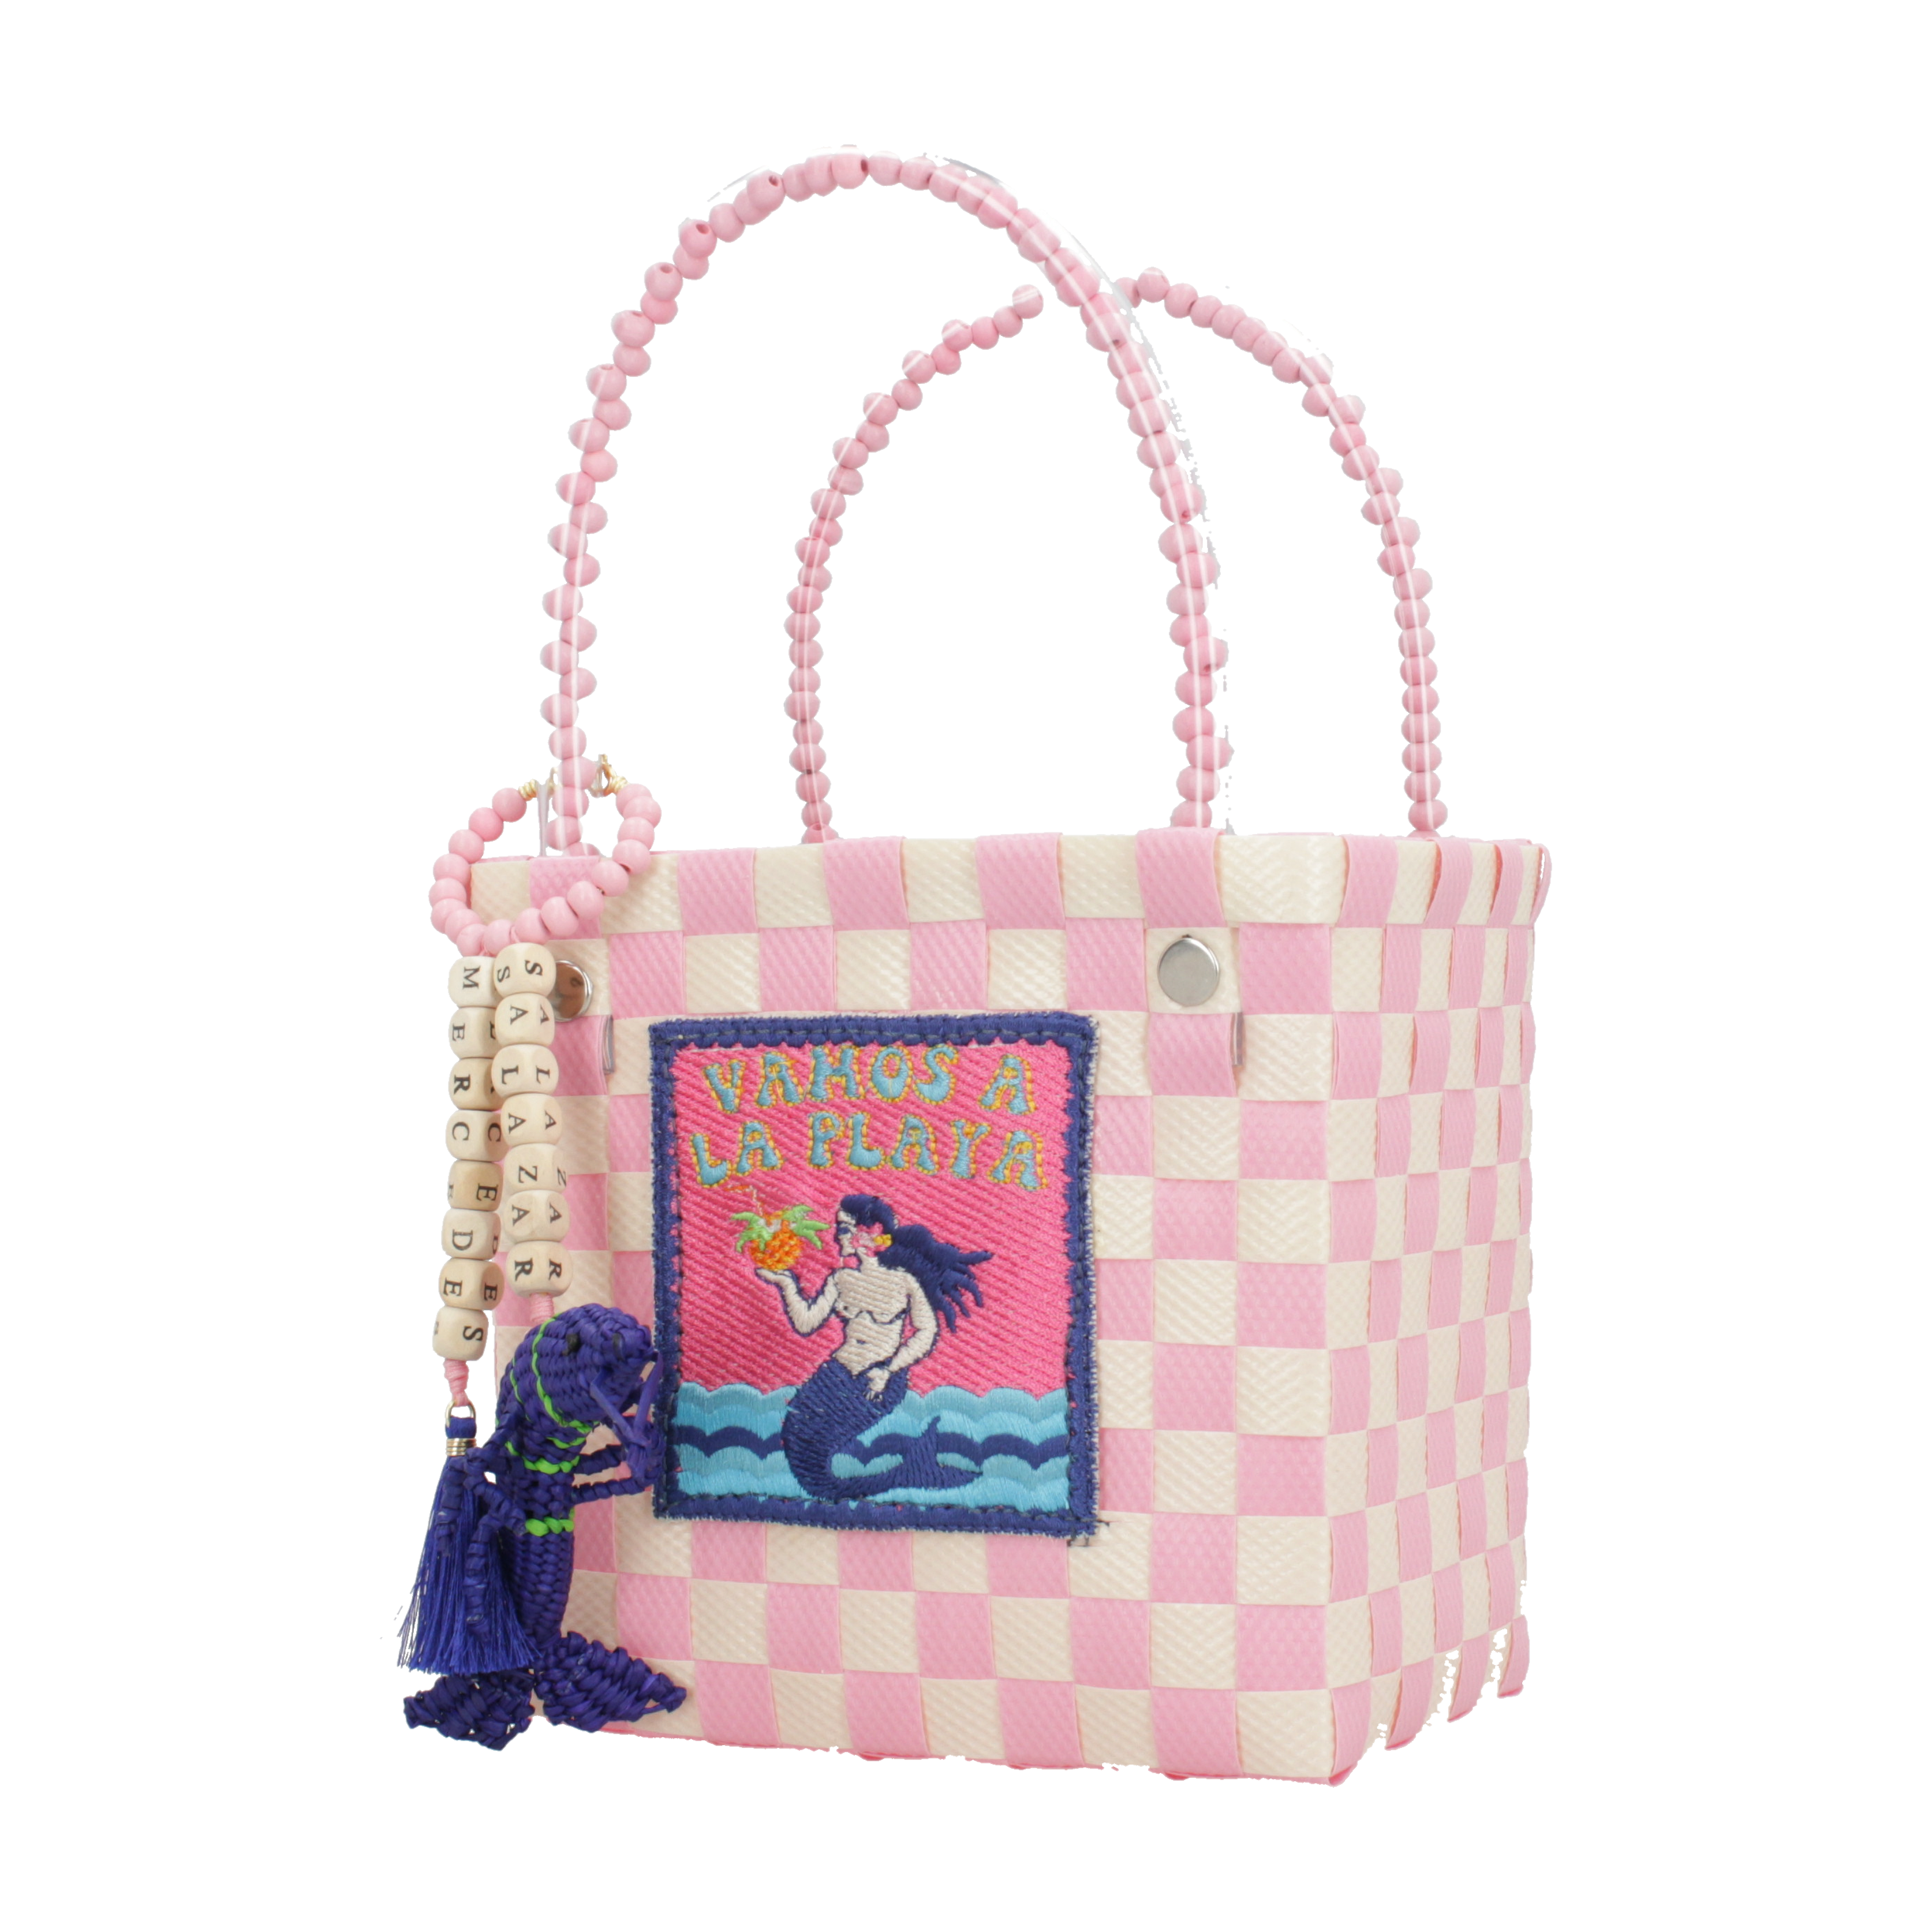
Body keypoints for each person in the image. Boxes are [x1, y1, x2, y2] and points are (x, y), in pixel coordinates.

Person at [755, 1193, 991, 1503]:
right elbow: (806, 1323)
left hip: (876, 1382)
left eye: (844, 1229)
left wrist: (889, 1370)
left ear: (871, 1232)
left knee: (816, 1466)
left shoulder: (903, 1282)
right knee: (802, 1454)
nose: (837, 1237)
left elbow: (926, 1331)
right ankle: (908, 1474)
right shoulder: (842, 1279)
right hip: (835, 1376)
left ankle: (911, 1472)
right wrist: (787, 1285)